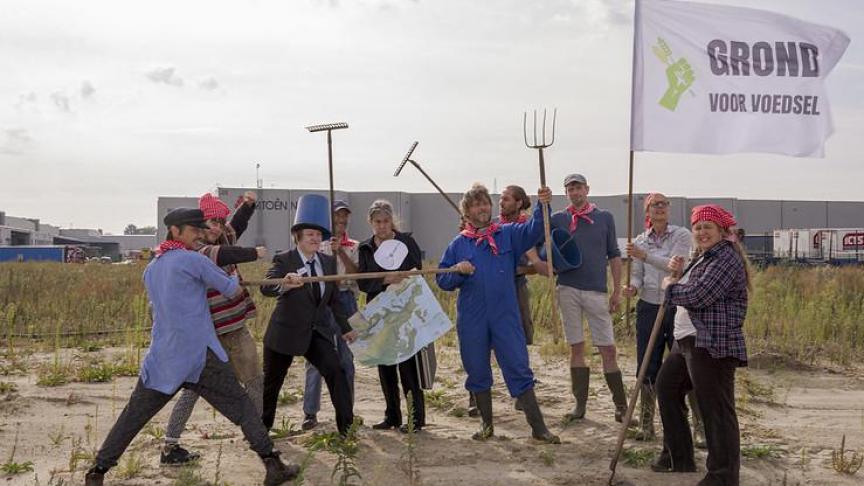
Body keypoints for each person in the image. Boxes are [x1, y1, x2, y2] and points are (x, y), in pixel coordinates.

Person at [85, 208, 298, 486]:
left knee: (133, 416)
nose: (199, 234)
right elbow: (230, 289)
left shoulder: (151, 269)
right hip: (200, 355)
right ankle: (273, 464)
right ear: (175, 231)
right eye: (194, 230)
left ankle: (97, 471)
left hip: (162, 358)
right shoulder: (192, 260)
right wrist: (235, 277)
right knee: (243, 408)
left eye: (201, 229)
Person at [437, 183, 559, 444]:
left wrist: (543, 205)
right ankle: (486, 426)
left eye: (485, 203)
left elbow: (534, 230)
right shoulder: (458, 244)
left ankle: (539, 429)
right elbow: (442, 280)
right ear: (467, 212)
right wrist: (457, 270)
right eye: (476, 204)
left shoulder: (507, 234)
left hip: (505, 314)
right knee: (477, 367)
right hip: (472, 317)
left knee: (518, 364)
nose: (482, 208)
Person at [161, 191, 266, 465]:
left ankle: (257, 434)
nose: (216, 228)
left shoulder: (222, 236)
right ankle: (170, 444)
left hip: (236, 326)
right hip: (208, 333)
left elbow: (237, 225)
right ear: (199, 226)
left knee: (254, 380)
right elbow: (219, 254)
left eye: (220, 222)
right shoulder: (194, 250)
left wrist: (248, 205)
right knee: (194, 389)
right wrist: (254, 254)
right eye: (211, 222)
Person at [654, 204, 750, 486]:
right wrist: (677, 274)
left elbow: (700, 294)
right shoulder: (704, 257)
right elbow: (690, 288)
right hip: (687, 341)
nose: (701, 232)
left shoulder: (726, 259)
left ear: (722, 231)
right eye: (697, 227)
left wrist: (669, 287)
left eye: (708, 226)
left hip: (711, 343)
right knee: (667, 388)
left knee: (716, 409)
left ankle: (722, 477)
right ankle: (679, 457)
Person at [260, 195, 358, 436]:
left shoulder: (327, 262)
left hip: (315, 332)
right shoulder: (285, 259)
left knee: (336, 372)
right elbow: (266, 286)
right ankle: (262, 431)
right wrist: (284, 283)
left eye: (318, 234)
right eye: (310, 234)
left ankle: (346, 428)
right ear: (298, 237)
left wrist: (346, 328)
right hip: (285, 333)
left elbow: (334, 300)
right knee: (273, 384)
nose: (315, 238)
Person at [549, 173, 628, 423]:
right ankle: (579, 406)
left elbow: (614, 255)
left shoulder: (604, 218)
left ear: (587, 189)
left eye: (579, 187)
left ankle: (621, 406)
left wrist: (616, 290)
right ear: (566, 193)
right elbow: (540, 240)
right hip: (568, 289)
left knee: (608, 348)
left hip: (596, 290)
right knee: (577, 347)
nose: (575, 192)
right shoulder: (558, 219)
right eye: (570, 188)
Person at [467, 184, 543, 416]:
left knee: (516, 341)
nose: (502, 203)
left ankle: (522, 393)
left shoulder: (522, 228)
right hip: (484, 292)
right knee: (481, 344)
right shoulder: (492, 225)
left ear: (519, 203)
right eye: (500, 199)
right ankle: (476, 398)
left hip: (514, 287)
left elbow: (535, 265)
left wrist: (517, 268)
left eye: (507, 199)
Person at [623, 193, 691, 440]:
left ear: (669, 209)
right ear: (647, 212)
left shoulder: (681, 235)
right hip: (649, 307)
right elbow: (637, 274)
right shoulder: (640, 240)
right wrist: (632, 286)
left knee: (684, 364)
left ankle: (695, 425)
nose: (660, 208)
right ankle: (646, 423)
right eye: (655, 205)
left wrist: (645, 255)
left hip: (676, 307)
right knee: (647, 363)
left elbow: (676, 267)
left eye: (664, 204)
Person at [357, 199, 426, 433]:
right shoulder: (365, 247)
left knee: (408, 365)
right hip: (378, 312)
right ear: (371, 223)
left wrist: (403, 279)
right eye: (378, 222)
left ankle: (416, 419)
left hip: (404, 311)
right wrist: (386, 279)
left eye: (386, 221)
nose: (382, 226)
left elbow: (419, 270)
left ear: (391, 221)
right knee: (385, 365)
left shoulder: (406, 241)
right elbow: (363, 282)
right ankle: (392, 416)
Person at [302, 200, 359, 431]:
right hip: (322, 301)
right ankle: (310, 412)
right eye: (337, 217)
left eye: (345, 217)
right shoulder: (317, 244)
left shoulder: (354, 246)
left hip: (346, 300)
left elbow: (357, 275)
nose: (341, 221)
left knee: (347, 358)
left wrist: (341, 253)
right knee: (316, 359)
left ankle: (347, 411)